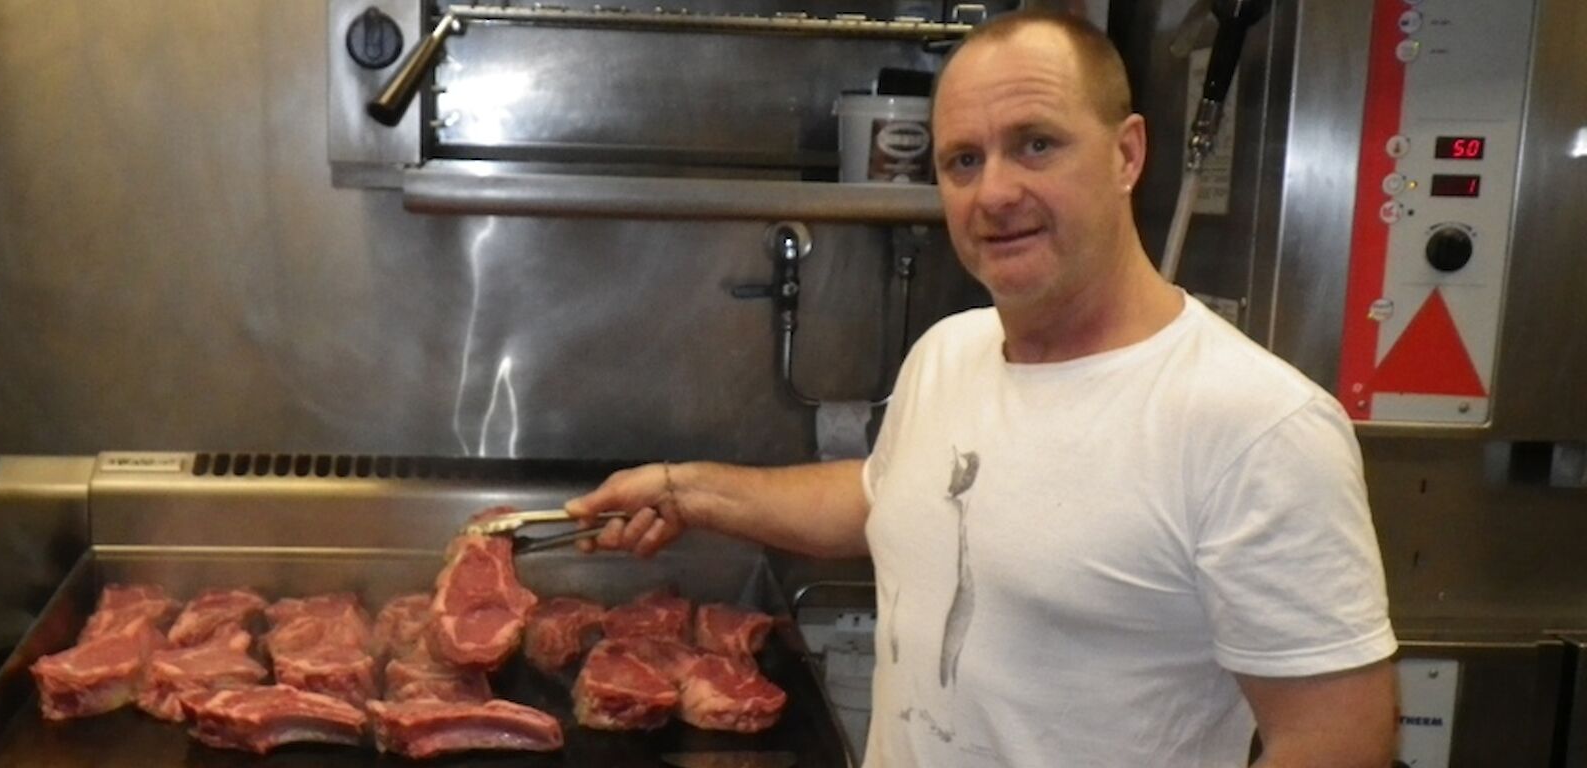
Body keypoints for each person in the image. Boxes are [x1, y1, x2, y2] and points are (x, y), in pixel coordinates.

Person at [563, 10, 1397, 768]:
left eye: (1036, 143)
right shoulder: (950, 352)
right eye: (964, 160)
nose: (995, 193)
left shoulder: (1257, 424)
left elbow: (1338, 741)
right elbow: (886, 497)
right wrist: (688, 491)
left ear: (1127, 152)